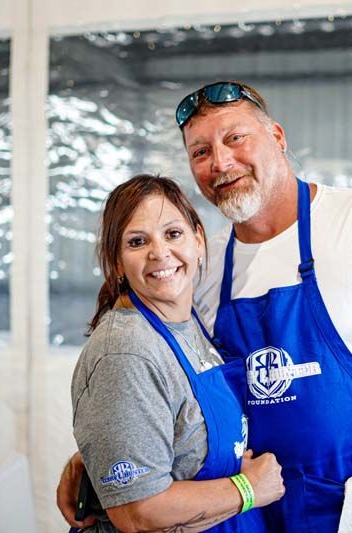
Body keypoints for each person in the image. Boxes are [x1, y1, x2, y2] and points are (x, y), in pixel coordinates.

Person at [60, 82, 352, 532]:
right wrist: (104, 448)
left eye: (235, 138)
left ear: (277, 137)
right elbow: (176, 395)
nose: (220, 162)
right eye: (200, 152)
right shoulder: (201, 270)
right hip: (256, 513)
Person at [69, 174, 284, 533]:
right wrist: (248, 489)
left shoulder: (185, 321)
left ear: (198, 240)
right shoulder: (126, 353)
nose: (159, 253)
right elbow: (138, 512)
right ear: (118, 263)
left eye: (173, 234)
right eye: (137, 241)